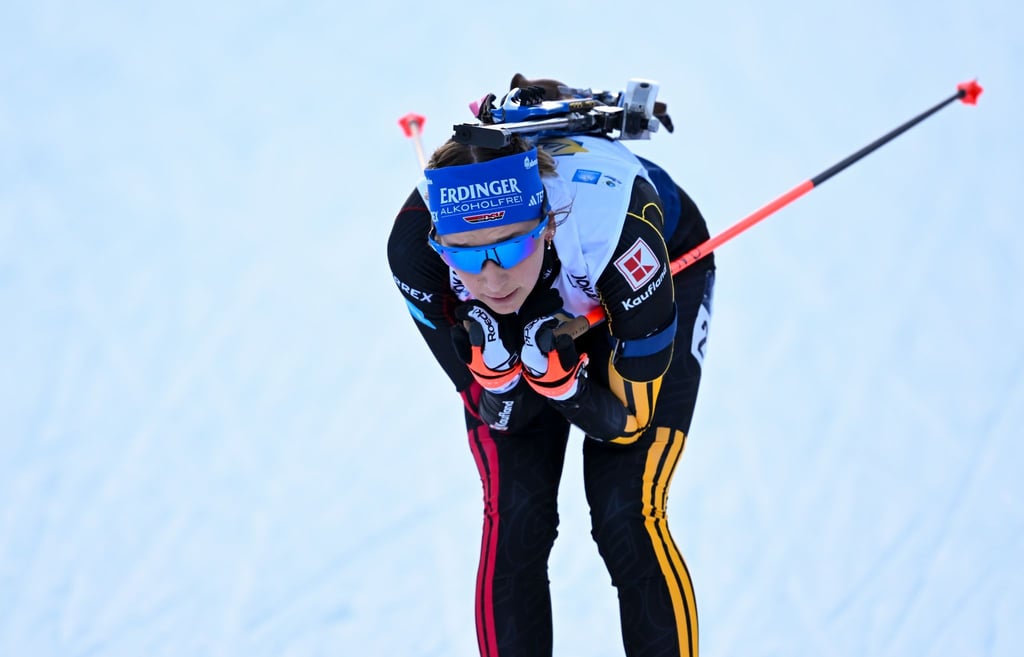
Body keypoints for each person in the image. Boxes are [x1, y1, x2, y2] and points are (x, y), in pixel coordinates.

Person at [387, 74, 716, 657]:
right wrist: (498, 375)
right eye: (466, 253)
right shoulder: (417, 253)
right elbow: (500, 417)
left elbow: (628, 422)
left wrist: (564, 388)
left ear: (547, 222)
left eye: (511, 245)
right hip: (556, 297)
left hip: (651, 271)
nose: (491, 278)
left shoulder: (616, 235)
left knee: (626, 514)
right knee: (517, 517)